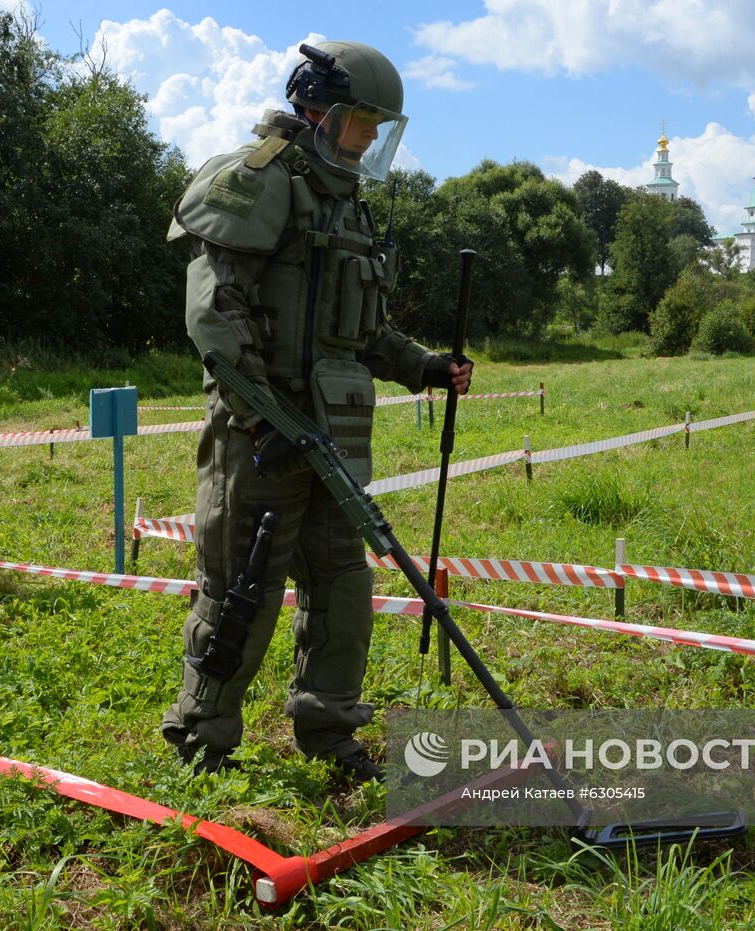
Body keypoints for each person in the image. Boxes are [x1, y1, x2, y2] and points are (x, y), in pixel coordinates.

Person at [162, 41, 473, 782]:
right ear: (323, 111)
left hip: (334, 440)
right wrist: (265, 415)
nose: (371, 139)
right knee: (241, 590)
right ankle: (202, 736)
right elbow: (215, 315)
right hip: (261, 437)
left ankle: (330, 731)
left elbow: (358, 330)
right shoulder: (256, 180)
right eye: (365, 121)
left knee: (342, 588)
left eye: (378, 126)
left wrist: (423, 367)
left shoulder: (345, 200)